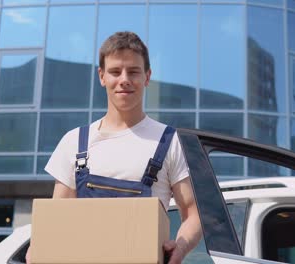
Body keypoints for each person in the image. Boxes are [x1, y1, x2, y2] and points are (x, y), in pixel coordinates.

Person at [26, 31, 201, 264]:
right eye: (115, 72)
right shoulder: (74, 142)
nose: (124, 79)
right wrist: (40, 246)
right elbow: (59, 219)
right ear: (102, 76)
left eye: (134, 71)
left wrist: (181, 246)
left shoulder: (169, 141)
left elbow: (193, 214)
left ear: (147, 77)